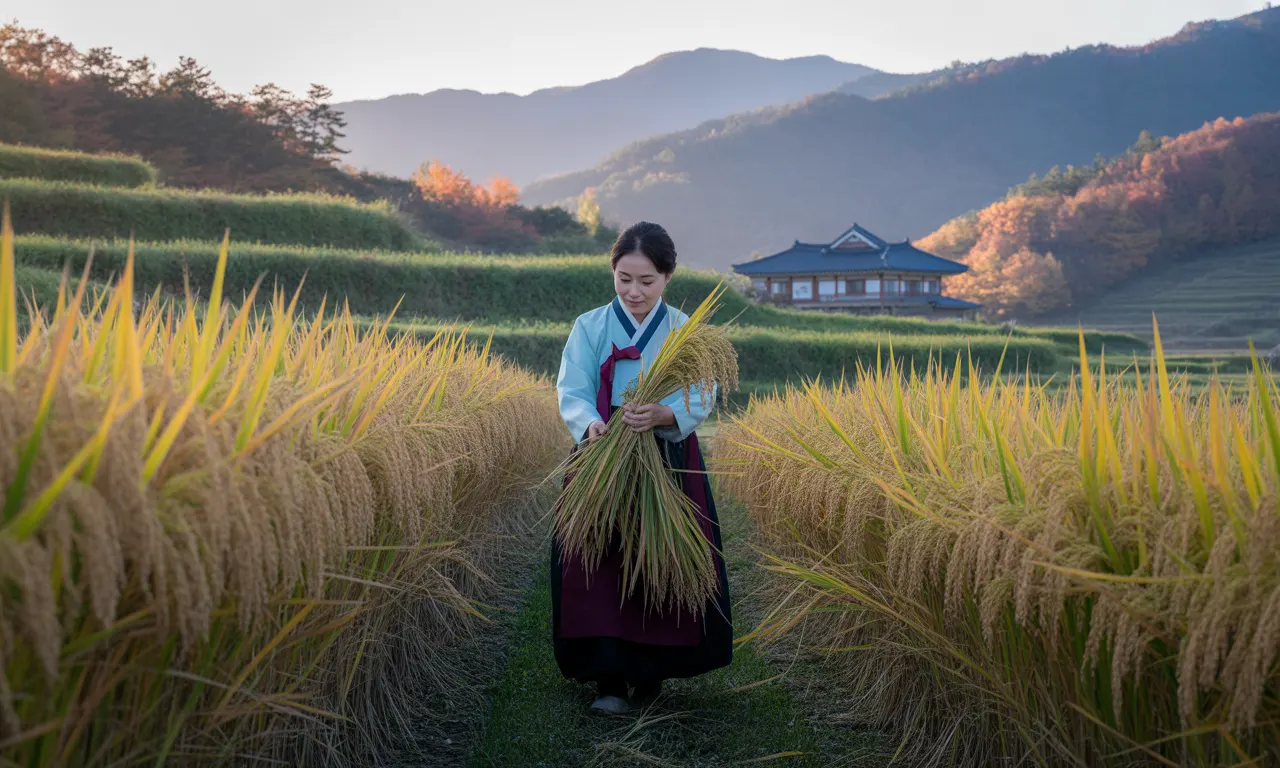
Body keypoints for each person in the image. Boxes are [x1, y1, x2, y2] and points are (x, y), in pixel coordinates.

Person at [551, 221, 733, 715]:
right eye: (624, 278)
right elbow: (573, 388)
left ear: (667, 277)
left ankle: (651, 673)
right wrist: (590, 424)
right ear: (613, 272)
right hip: (601, 457)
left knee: (660, 556)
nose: (634, 291)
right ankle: (607, 679)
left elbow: (703, 390)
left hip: (666, 459)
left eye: (646, 281)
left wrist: (665, 414)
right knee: (599, 561)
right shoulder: (589, 326)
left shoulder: (684, 331)